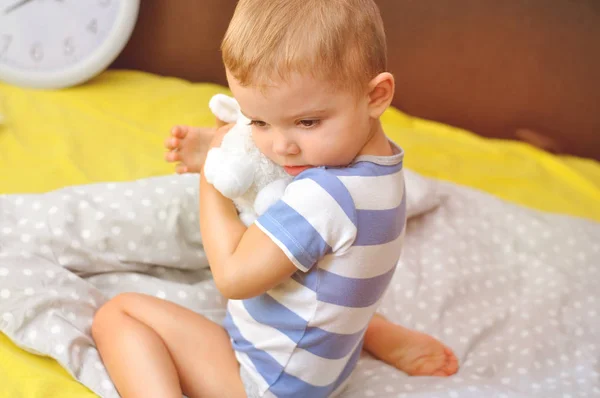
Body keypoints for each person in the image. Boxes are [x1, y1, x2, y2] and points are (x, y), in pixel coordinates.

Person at [91, 0, 458, 396]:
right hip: (326, 365)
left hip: (270, 382)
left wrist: (215, 173)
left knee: (118, 315)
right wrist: (238, 149)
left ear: (376, 96)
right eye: (258, 122)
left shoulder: (323, 197)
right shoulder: (375, 165)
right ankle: (377, 332)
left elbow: (232, 277)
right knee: (328, 275)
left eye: (307, 122)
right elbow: (292, 180)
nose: (281, 147)